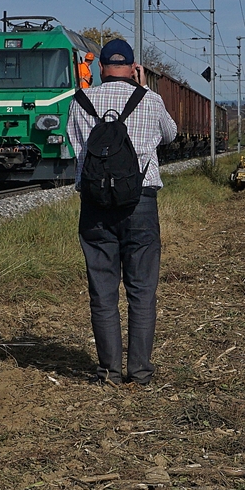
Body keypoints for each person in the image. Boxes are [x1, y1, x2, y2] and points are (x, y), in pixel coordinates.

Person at [67, 38, 177, 386]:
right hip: (140, 202)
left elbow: (75, 145)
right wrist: (143, 90)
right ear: (133, 68)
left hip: (96, 205)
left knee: (103, 291)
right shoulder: (151, 100)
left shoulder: (81, 100)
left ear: (100, 68)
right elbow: (170, 136)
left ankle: (109, 372)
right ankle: (140, 371)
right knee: (142, 291)